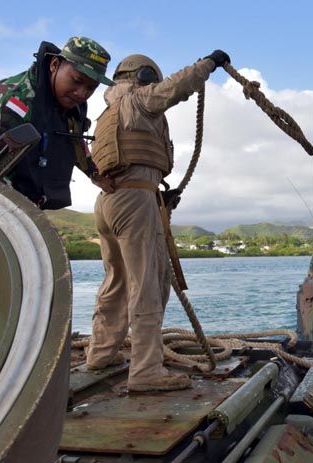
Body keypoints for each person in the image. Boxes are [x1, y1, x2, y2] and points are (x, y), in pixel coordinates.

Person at [85, 50, 231, 392]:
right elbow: (175, 88)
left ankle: (100, 353)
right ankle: (146, 372)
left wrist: (158, 195)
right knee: (148, 284)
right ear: (144, 76)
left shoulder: (108, 113)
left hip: (109, 202)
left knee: (116, 282)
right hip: (134, 201)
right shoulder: (137, 100)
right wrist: (208, 64)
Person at [0, 36, 116, 209]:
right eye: (76, 81)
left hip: (4, 164)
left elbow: (74, 140)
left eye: (91, 88)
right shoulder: (17, 103)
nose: (82, 93)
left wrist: (95, 175)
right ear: (54, 65)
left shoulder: (71, 103)